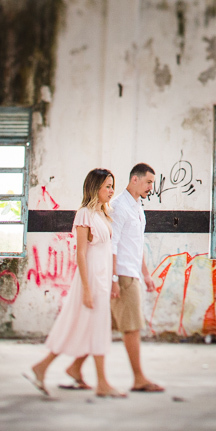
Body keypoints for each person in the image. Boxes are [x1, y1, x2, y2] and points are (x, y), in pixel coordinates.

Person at [24, 168, 126, 399]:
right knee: (91, 327)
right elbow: (80, 254)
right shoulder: (84, 214)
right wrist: (87, 290)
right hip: (90, 279)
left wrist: (112, 280)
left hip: (102, 278)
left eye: (112, 186)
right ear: (94, 188)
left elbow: (106, 250)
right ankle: (102, 383)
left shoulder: (103, 214)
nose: (111, 190)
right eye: (107, 186)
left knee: (87, 327)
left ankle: (56, 368)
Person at [64, 163, 164, 393]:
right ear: (135, 180)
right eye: (148, 182)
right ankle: (139, 378)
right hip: (122, 275)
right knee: (131, 328)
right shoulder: (118, 207)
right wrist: (114, 279)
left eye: (152, 183)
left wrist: (146, 274)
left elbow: (136, 246)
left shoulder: (138, 208)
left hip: (131, 273)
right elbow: (113, 246)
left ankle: (75, 368)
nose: (151, 187)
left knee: (100, 326)